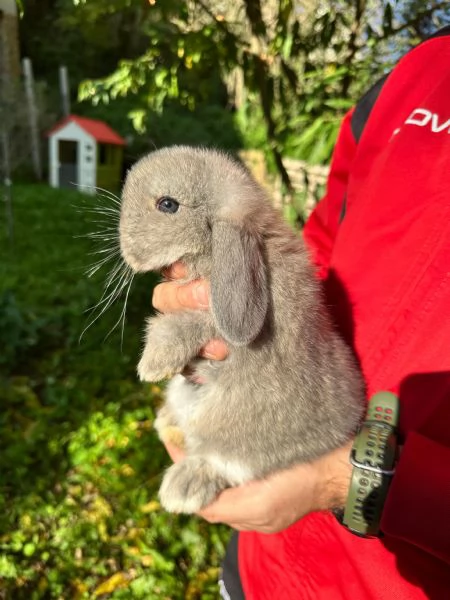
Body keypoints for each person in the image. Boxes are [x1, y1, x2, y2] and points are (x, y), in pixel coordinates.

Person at [152, 25, 450, 599]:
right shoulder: (418, 74)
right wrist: (233, 296)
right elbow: (320, 253)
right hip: (261, 565)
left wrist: (349, 481)